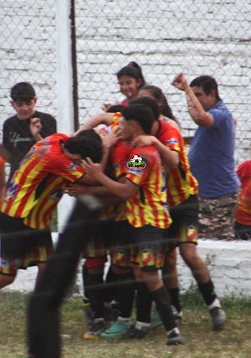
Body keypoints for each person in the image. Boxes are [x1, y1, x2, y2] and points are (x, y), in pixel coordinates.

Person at [0, 131, 103, 342]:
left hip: (38, 219)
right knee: (7, 275)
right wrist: (117, 150)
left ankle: (44, 325)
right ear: (77, 159)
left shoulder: (58, 139)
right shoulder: (59, 159)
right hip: (18, 218)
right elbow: (119, 183)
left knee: (50, 270)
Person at [82, 104, 184, 346]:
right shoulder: (139, 150)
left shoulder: (142, 155)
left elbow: (126, 191)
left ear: (134, 126)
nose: (118, 128)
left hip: (149, 221)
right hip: (133, 219)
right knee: (121, 266)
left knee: (148, 274)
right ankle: (129, 321)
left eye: (123, 124)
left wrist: (98, 175)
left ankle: (172, 331)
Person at [129, 96, 226, 330]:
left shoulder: (167, 130)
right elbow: (130, 183)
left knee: (188, 253)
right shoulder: (134, 143)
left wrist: (153, 141)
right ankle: (173, 310)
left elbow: (172, 161)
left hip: (183, 200)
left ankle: (213, 305)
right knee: (166, 260)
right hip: (159, 209)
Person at [171, 73, 240, 240]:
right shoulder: (144, 140)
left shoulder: (157, 136)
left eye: (198, 95)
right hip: (194, 196)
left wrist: (187, 91)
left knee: (206, 245)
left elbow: (199, 117)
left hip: (215, 195)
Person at [0, 82, 57, 182]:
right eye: (19, 105)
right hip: (17, 177)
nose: (25, 109)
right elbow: (10, 158)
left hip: (40, 177)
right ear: (12, 104)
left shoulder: (47, 120)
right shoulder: (9, 124)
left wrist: (36, 135)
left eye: (28, 103)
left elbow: (51, 154)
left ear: (35, 101)